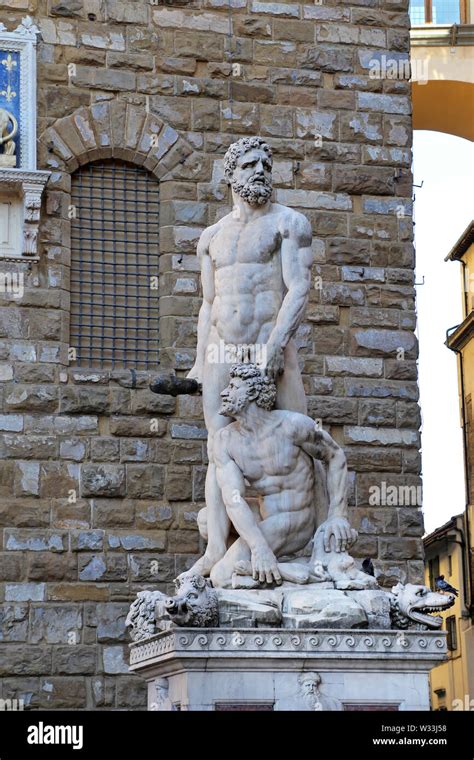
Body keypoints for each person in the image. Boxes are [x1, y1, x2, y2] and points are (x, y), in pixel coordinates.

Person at [186, 136, 315, 577]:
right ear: (230, 174)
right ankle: (217, 549)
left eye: (266, 163)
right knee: (217, 444)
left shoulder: (288, 224)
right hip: (223, 346)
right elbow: (208, 302)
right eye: (248, 164)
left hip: (269, 342)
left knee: (298, 438)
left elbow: (298, 287)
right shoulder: (211, 238)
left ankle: (307, 541)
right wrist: (201, 361)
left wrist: (277, 346)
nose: (259, 170)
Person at [208, 364, 357, 589]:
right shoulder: (224, 440)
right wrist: (259, 547)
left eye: (233, 387)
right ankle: (288, 571)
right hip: (266, 517)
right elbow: (232, 499)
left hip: (295, 520)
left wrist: (338, 514)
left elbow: (335, 456)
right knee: (205, 520)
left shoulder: (292, 426)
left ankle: (262, 566)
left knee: (220, 575)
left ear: (252, 393)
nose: (223, 393)